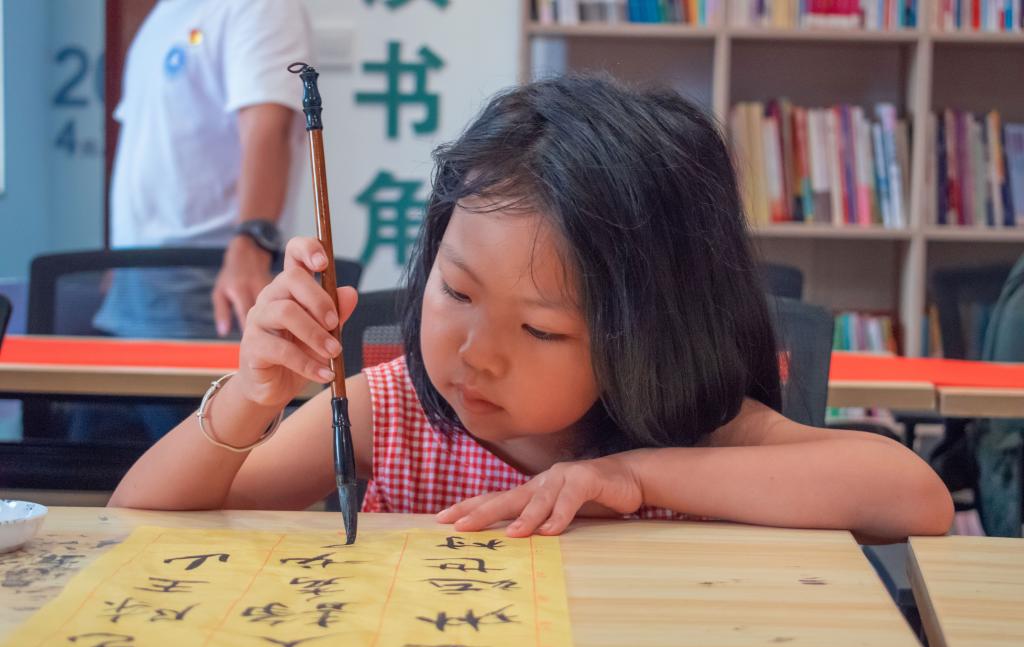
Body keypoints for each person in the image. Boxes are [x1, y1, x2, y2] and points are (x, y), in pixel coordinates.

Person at [108, 75, 953, 542]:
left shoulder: (695, 432)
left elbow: (914, 496)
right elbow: (138, 518)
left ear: (645, 333)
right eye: (454, 290)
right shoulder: (394, 412)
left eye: (542, 328)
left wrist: (634, 474)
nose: (475, 353)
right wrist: (252, 394)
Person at [95, 0, 313, 341]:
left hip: (208, 274)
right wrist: (120, 260)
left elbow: (268, 129)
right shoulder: (166, 14)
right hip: (137, 274)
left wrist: (254, 241)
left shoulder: (260, 6)